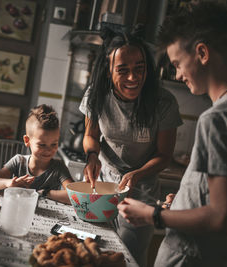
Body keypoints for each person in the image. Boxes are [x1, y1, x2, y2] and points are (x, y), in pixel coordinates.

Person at [117, 2, 227, 266]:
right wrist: (182, 204)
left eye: (177, 63)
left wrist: (152, 215)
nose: (177, 75)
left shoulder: (217, 119)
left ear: (202, 52)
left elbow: (223, 217)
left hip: (190, 257)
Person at [79, 23, 182, 266]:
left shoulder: (163, 102)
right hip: (101, 185)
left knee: (128, 258)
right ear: (108, 70)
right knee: (91, 253)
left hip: (141, 193)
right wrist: (92, 157)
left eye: (140, 68)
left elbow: (164, 155)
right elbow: (90, 135)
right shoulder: (96, 95)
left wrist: (137, 174)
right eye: (122, 70)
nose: (133, 77)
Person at [0, 104, 73, 204]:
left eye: (54, 144)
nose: (49, 150)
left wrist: (45, 192)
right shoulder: (18, 161)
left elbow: (74, 197)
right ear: (27, 140)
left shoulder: (59, 168)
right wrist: (8, 183)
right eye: (42, 145)